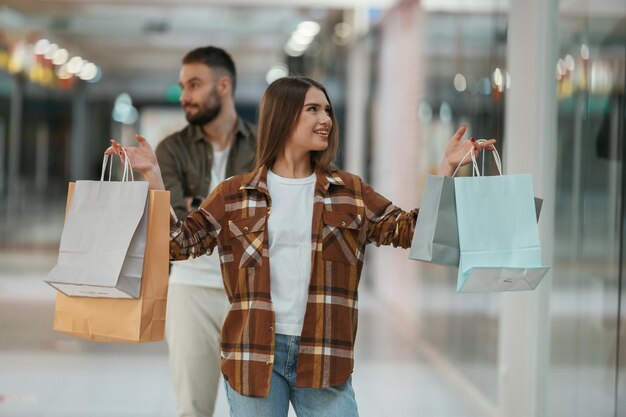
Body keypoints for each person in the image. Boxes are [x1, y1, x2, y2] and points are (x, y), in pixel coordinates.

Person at [107, 76, 495, 417]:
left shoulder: (349, 192)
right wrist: (153, 177)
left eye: (327, 110)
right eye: (312, 109)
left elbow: (407, 230)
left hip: (325, 351)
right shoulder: (234, 194)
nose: (325, 119)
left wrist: (446, 171)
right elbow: (178, 244)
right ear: (284, 116)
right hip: (253, 352)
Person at [156, 46, 256, 417]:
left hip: (251, 293)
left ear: (224, 85)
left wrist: (201, 207)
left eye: (195, 84)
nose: (185, 96)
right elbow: (177, 227)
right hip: (189, 290)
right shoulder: (171, 150)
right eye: (183, 86)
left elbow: (274, 218)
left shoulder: (264, 147)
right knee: (193, 408)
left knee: (252, 407)